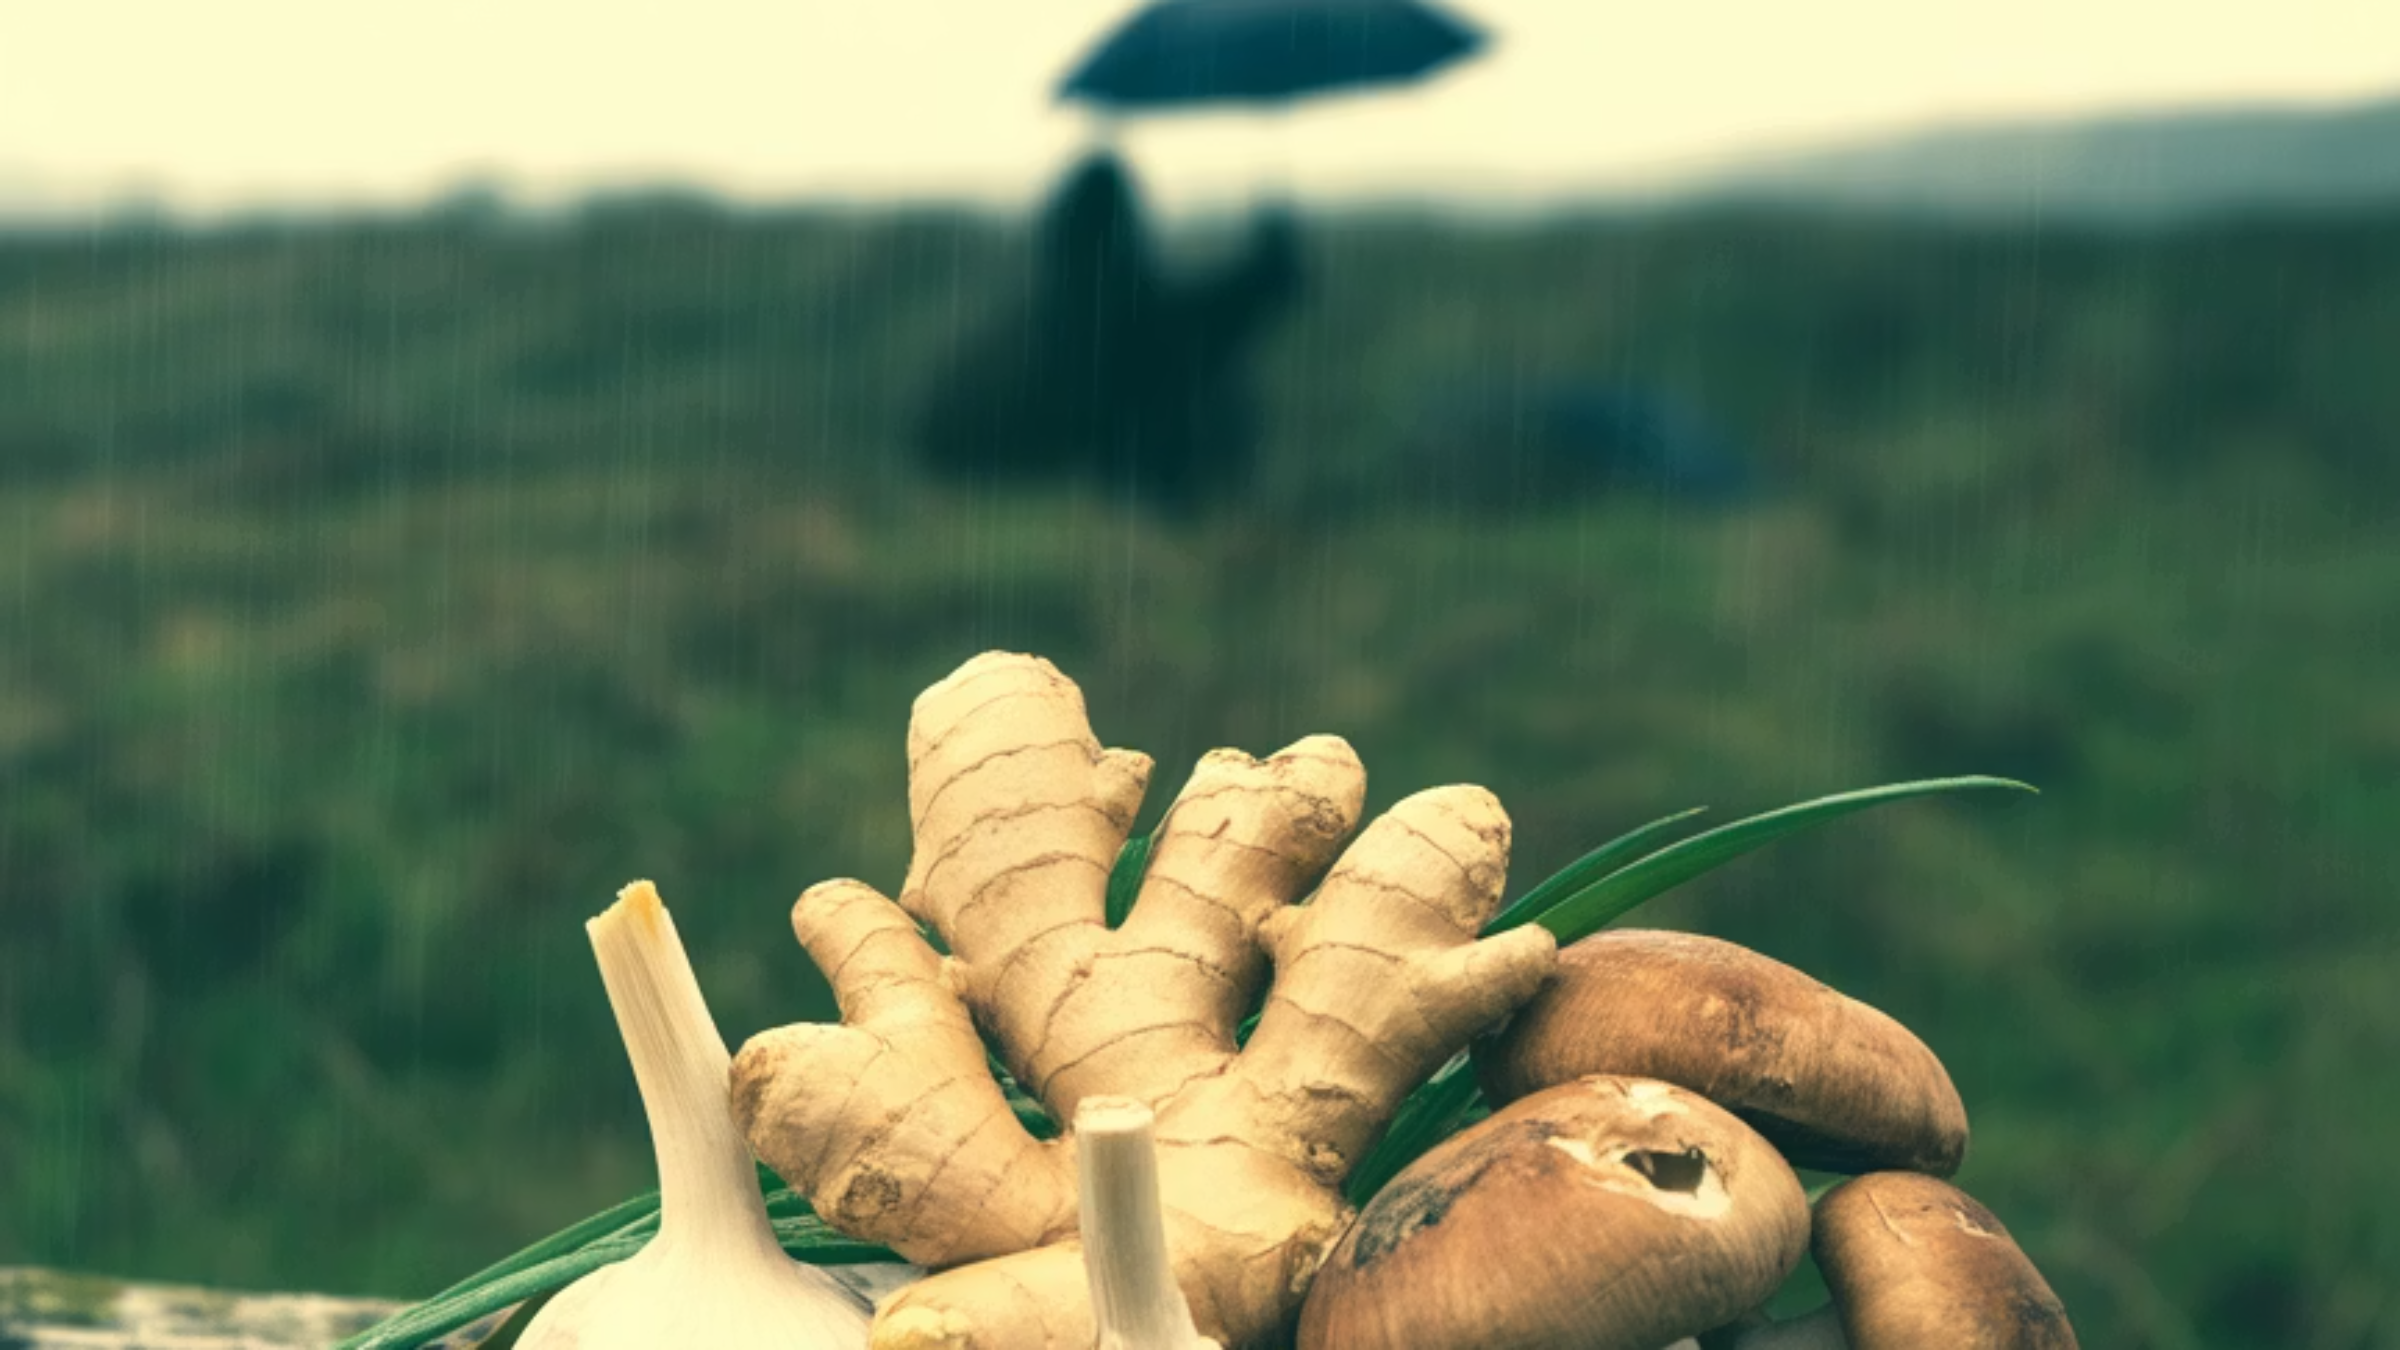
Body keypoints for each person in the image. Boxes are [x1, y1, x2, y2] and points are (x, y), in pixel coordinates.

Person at [915, 149, 1302, 516]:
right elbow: (1222, 309)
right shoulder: (1137, 310)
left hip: (1095, 500)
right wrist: (1272, 257)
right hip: (1146, 498)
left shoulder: (1051, 321)